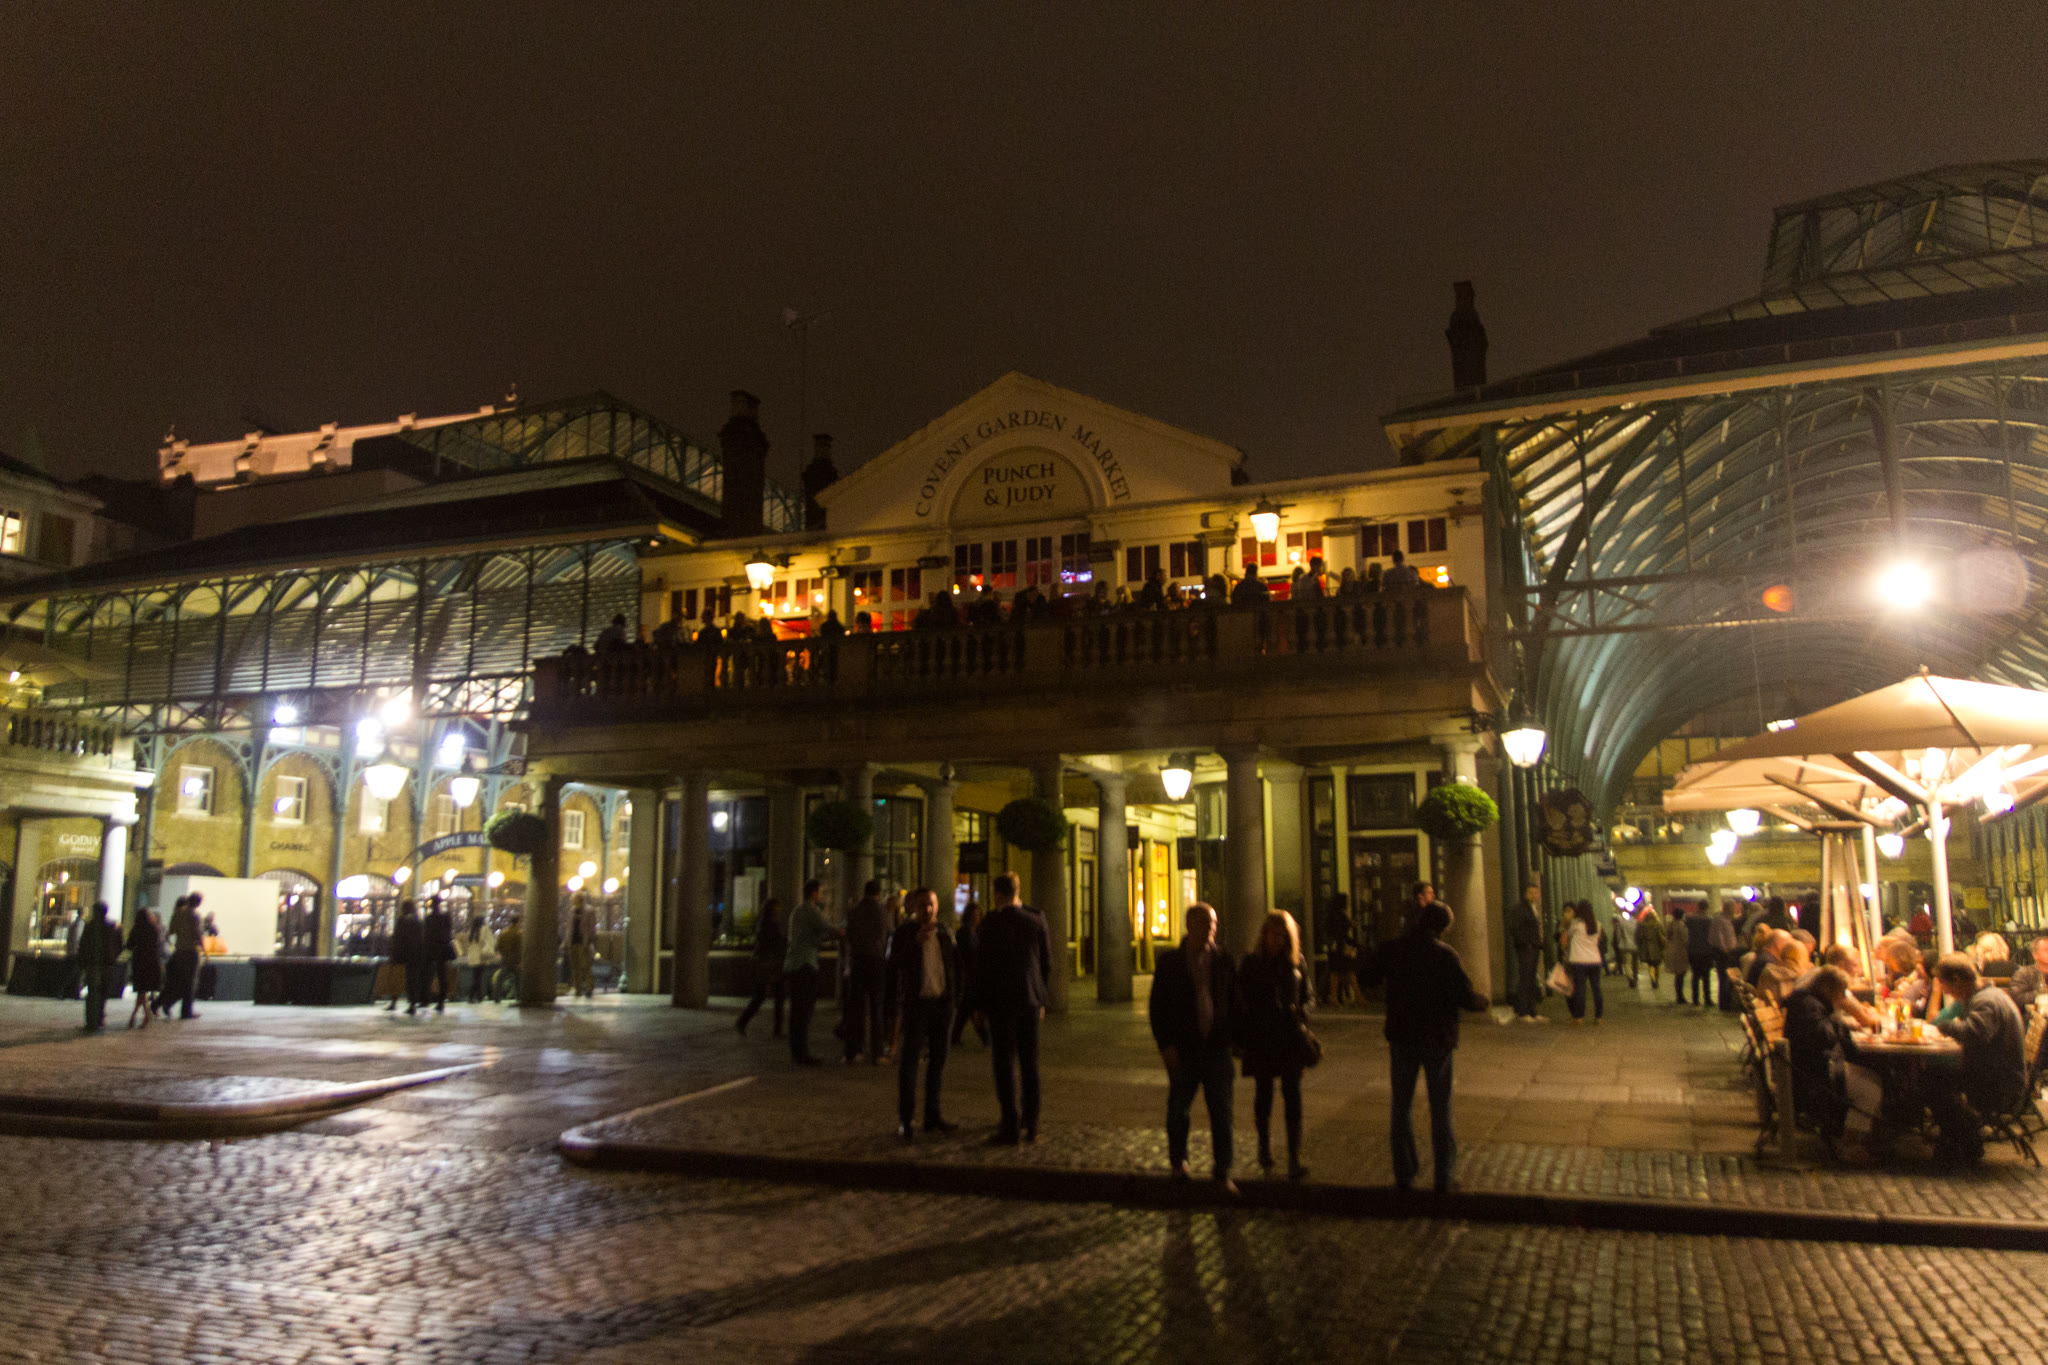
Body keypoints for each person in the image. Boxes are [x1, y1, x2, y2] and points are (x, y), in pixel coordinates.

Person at [1359, 901, 1488, 1194]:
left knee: (1401, 1106)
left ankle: (1404, 1171)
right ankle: (1444, 1173)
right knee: (1440, 1106)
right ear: (1442, 927)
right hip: (1436, 1038)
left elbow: (1367, 976)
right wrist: (1480, 1001)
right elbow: (1464, 996)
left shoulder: (1394, 949)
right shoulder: (1445, 955)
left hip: (1402, 1035)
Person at [1148, 902, 1240, 1191]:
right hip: (1184, 1048)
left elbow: (1234, 1000)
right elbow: (1158, 1007)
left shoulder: (1223, 960)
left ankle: (1222, 1170)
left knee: (1222, 1113)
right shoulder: (1170, 963)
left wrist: (1233, 1037)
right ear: (1189, 926)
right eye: (1205, 924)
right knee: (1179, 1109)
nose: (1211, 930)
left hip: (1216, 1047)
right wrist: (1166, 1045)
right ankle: (1179, 1163)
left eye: (1213, 924)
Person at [972, 872, 1052, 1145]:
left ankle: (1009, 1122)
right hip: (1029, 1000)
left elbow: (981, 967)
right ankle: (1032, 1122)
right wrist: (1041, 997)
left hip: (1000, 1003)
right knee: (1030, 1063)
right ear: (1018, 891)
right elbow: (1046, 963)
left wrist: (979, 1005)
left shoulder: (990, 924)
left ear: (997, 894)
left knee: (1004, 1063)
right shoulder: (1036, 919)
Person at [1928, 954, 2028, 1167]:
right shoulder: (1988, 996)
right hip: (1995, 1075)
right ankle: (1960, 1137)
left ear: (1957, 979)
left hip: (1999, 1084)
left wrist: (1944, 1026)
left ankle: (1965, 1137)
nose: (1945, 991)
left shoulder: (1986, 1002)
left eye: (1944, 984)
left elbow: (1974, 1033)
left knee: (1932, 1082)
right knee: (1935, 1076)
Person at [1239, 909, 1313, 1180]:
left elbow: (1308, 995)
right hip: (1262, 1037)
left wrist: (1303, 1012)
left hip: (1289, 1037)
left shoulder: (1296, 962)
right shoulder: (1252, 963)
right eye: (1273, 934)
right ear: (1264, 935)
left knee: (1292, 1096)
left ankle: (1294, 1155)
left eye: (1283, 936)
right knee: (1264, 1094)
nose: (1277, 940)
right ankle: (1264, 1149)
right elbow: (1241, 998)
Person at [888, 887, 960, 1142]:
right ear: (914, 908)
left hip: (941, 1005)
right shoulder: (904, 933)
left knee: (937, 1062)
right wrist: (914, 944)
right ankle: (906, 1119)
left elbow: (954, 966)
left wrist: (953, 998)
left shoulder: (944, 933)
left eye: (931, 904)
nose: (927, 910)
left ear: (937, 906)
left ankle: (932, 1115)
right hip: (917, 1006)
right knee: (909, 1062)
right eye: (922, 905)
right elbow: (892, 964)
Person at [1782, 966, 1856, 1143]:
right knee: (1870, 1085)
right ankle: (1852, 1142)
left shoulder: (1806, 1001)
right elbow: (1825, 1037)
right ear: (1830, 990)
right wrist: (1838, 1020)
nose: (1842, 998)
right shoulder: (1810, 1006)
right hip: (1812, 1080)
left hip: (1807, 1071)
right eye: (1841, 993)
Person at [841, 878, 890, 1065]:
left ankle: (853, 1050)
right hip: (876, 961)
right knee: (876, 1007)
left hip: (858, 960)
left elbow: (849, 935)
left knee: (856, 1007)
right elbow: (888, 934)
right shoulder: (882, 911)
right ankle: (877, 1052)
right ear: (878, 893)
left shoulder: (854, 911)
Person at [784, 879, 831, 1065]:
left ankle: (797, 1050)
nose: (821, 895)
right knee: (804, 1010)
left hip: (794, 964)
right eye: (820, 892)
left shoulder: (797, 911)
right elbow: (826, 927)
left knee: (797, 1009)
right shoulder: (811, 911)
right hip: (805, 963)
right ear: (813, 893)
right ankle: (801, 1052)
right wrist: (841, 931)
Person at [736, 898, 787, 1037]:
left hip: (765, 963)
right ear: (772, 910)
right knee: (775, 995)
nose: (779, 910)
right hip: (770, 963)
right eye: (777, 908)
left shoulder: (763, 923)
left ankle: (743, 1022)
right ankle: (776, 1028)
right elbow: (774, 943)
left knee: (764, 995)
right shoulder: (770, 925)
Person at [161, 893, 204, 1020]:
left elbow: (171, 930)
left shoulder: (178, 913)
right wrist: (202, 947)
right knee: (189, 983)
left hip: (179, 951)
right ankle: (186, 1011)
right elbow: (197, 932)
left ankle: (165, 1003)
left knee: (178, 982)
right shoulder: (194, 915)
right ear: (197, 903)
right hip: (190, 951)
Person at [77, 902, 119, 1033]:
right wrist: (113, 957)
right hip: (106, 964)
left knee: (93, 993)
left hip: (94, 964)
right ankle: (99, 1017)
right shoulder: (111, 927)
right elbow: (118, 944)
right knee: (102, 993)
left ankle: (91, 1021)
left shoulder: (90, 927)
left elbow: (83, 945)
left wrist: (83, 963)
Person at [1506, 883, 1545, 1022]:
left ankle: (1531, 1011)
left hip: (1533, 947)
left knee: (1531, 978)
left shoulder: (1533, 908)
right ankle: (1523, 1012)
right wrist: (1525, 943)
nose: (1534, 895)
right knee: (1525, 979)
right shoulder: (1520, 909)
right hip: (1526, 948)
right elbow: (1515, 928)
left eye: (1536, 893)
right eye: (1531, 893)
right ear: (1525, 894)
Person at [951, 900, 986, 1046]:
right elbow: (965, 955)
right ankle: (985, 1037)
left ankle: (955, 1036)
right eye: (974, 915)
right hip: (968, 976)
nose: (976, 918)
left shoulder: (975, 933)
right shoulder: (965, 933)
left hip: (973, 976)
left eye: (978, 915)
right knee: (971, 1008)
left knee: (966, 1009)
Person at [1563, 901, 1604, 1023]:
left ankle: (1579, 1017)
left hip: (1579, 960)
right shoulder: (1597, 924)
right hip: (1595, 960)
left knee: (1580, 989)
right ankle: (1598, 1016)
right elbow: (1598, 940)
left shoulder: (1576, 924)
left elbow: (1568, 935)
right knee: (1596, 988)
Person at [124, 904, 164, 1030]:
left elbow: (129, 945)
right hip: (152, 962)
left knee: (141, 990)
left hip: (140, 962)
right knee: (143, 991)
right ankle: (139, 1016)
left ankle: (141, 1016)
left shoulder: (136, 929)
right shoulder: (154, 929)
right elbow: (159, 944)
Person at [390, 900, 426, 1016]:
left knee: (400, 978)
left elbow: (398, 938)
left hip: (404, 954)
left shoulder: (402, 921)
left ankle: (395, 1001)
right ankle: (412, 1003)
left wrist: (394, 954)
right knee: (413, 979)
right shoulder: (418, 921)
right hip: (417, 954)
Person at [422, 896, 456, 1013]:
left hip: (431, 949)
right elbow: (448, 933)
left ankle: (426, 999)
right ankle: (440, 1001)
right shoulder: (445, 917)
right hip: (442, 949)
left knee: (428, 975)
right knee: (442, 975)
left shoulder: (429, 918)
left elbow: (426, 935)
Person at [1683, 901, 1717, 1007]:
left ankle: (1695, 999)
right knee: (1706, 977)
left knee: (1695, 976)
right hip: (1706, 951)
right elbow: (1712, 936)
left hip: (1693, 950)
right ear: (1706, 908)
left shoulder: (1690, 919)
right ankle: (1707, 999)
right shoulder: (1709, 920)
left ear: (1698, 907)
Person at [1711, 900, 1742, 1012]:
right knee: (1724, 977)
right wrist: (1725, 949)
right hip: (1723, 953)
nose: (1734, 910)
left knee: (1726, 977)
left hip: (1728, 951)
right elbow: (1718, 937)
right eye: (1733, 908)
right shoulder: (1720, 920)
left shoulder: (1726, 920)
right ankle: (1724, 1004)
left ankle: (1726, 1002)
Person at [564, 893, 597, 1000]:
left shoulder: (589, 910)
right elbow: (569, 927)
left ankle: (589, 987)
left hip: (583, 942)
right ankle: (577, 989)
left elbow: (592, 927)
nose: (572, 901)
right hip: (572, 941)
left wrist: (589, 940)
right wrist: (566, 941)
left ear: (579, 899)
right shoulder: (572, 910)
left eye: (574, 899)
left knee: (585, 965)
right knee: (575, 966)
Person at [458, 914, 495, 1004]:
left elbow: (469, 945)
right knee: (478, 978)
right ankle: (473, 997)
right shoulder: (485, 930)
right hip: (481, 957)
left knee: (476, 977)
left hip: (473, 958)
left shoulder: (471, 931)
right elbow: (489, 942)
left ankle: (478, 997)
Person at [2007, 936, 2048, 1015]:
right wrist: (2041, 993)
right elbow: (2016, 998)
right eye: (2046, 950)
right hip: (2032, 1017)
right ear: (2035, 955)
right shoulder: (2024, 974)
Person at [1663, 905, 1691, 1003]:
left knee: (1677, 975)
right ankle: (1680, 996)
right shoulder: (1681, 925)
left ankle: (1678, 995)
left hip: (1672, 951)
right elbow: (1685, 939)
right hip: (1680, 952)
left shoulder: (1670, 925)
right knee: (1680, 975)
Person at [1635, 902, 1666, 991]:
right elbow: (1663, 935)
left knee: (1650, 965)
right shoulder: (1658, 924)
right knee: (1657, 965)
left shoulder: (1642, 925)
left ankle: (1652, 978)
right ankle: (1656, 979)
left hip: (1647, 948)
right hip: (1657, 948)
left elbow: (1639, 937)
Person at [494, 914, 524, 1003]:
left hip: (505, 958)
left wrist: (503, 954)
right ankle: (519, 997)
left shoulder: (503, 932)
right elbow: (521, 947)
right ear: (518, 921)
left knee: (500, 978)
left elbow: (498, 946)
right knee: (519, 979)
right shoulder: (520, 933)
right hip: (516, 960)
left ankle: (496, 997)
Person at [1611, 906, 1638, 988]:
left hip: (1625, 946)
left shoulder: (1621, 923)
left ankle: (1631, 978)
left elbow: (1618, 935)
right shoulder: (1636, 922)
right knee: (1635, 963)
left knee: (1627, 963)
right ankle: (1635, 976)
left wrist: (1619, 943)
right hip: (1635, 945)